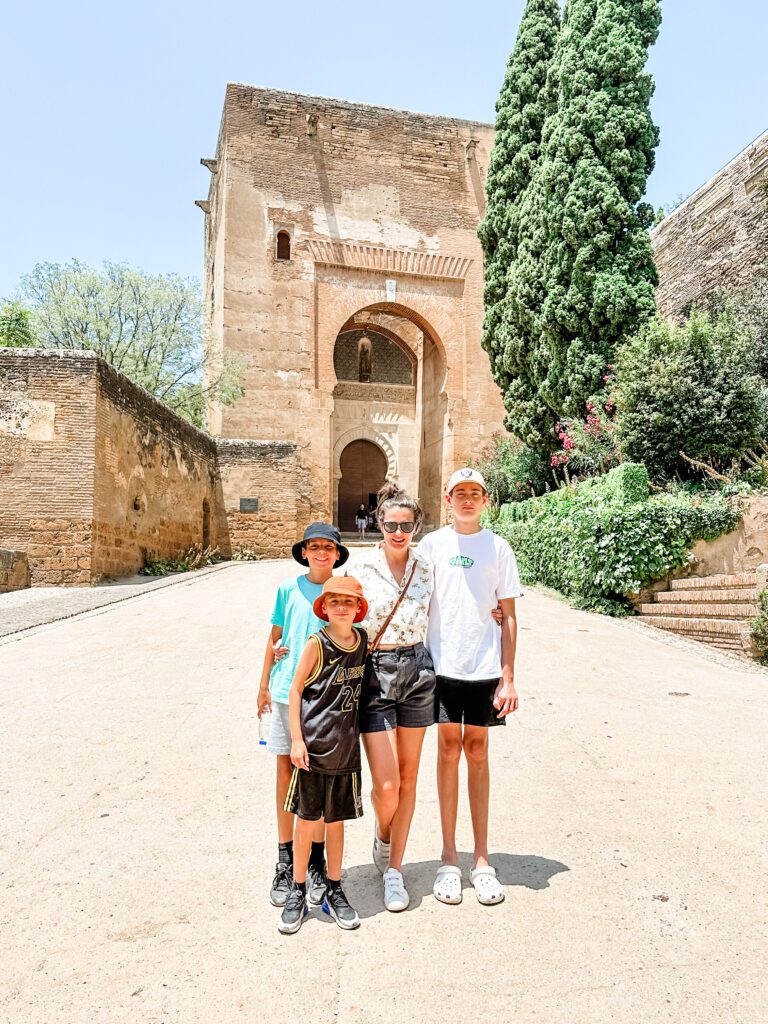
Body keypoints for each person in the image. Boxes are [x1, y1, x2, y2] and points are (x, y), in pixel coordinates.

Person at [417, 467, 522, 907]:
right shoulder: (432, 545)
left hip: (483, 670)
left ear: (485, 500)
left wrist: (509, 674)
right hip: (442, 666)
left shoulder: (498, 547)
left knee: (477, 752)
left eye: (474, 493)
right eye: (459, 493)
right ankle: (448, 857)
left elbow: (509, 613)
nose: (466, 500)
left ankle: (481, 859)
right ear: (447, 499)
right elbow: (412, 596)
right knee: (447, 751)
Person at [257, 523, 349, 910]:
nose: (322, 553)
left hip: (324, 697)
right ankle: (285, 857)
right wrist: (262, 685)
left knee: (319, 781)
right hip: (284, 693)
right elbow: (275, 637)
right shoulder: (287, 589)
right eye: (315, 547)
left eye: (329, 547)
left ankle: (313, 861)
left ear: (337, 554)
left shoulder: (343, 590)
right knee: (285, 773)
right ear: (305, 552)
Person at [355, 483, 435, 913]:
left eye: (406, 525)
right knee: (386, 787)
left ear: (416, 526)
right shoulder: (362, 569)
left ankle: (394, 871)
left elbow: (451, 610)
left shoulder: (427, 570)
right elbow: (337, 611)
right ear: (378, 524)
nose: (399, 532)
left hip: (419, 673)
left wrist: (495, 613)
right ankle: (383, 837)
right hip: (377, 674)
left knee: (408, 780)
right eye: (391, 524)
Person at [279, 576, 369, 934]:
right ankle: (298, 890)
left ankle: (334, 887)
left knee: (336, 823)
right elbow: (297, 687)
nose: (342, 608)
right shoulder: (317, 643)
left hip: (345, 752)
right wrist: (297, 741)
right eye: (335, 602)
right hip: (314, 750)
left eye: (349, 602)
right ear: (325, 607)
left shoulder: (362, 641)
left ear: (359, 608)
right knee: (307, 822)